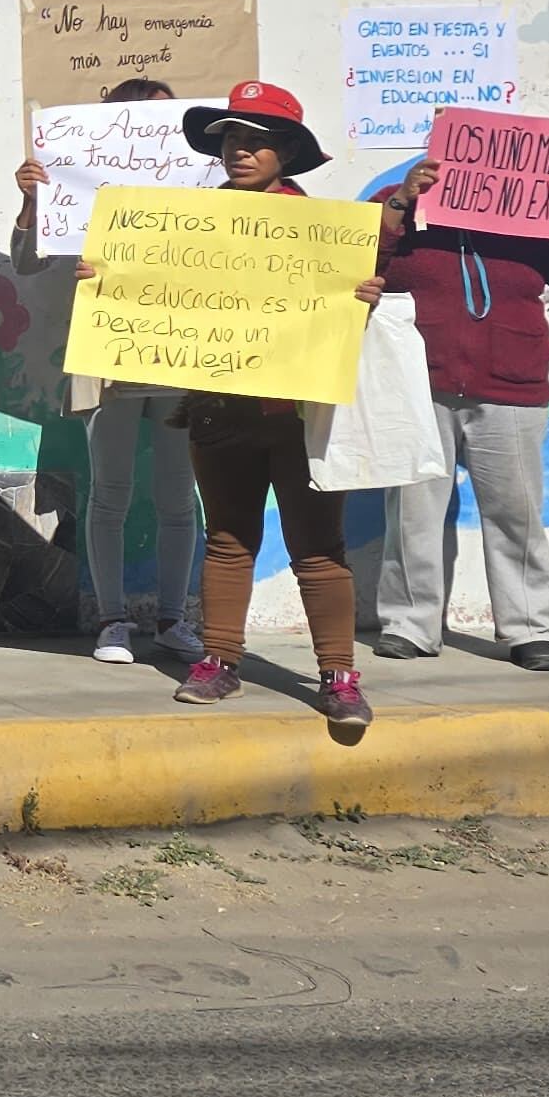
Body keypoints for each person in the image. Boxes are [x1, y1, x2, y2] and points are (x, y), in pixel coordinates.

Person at [109, 83, 386, 727]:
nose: (241, 151)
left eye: (257, 140)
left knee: (318, 546)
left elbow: (346, 314)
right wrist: (110, 281)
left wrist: (362, 296)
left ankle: (338, 676)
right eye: (232, 138)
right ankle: (220, 662)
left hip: (298, 415)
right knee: (229, 539)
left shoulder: (325, 234)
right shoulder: (192, 225)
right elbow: (158, 291)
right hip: (217, 410)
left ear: (286, 152)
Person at [363, 159, 549, 671]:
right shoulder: (403, 201)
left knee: (517, 514)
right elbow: (363, 257)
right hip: (419, 383)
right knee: (412, 514)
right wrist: (403, 198)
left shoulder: (527, 208)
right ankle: (408, 625)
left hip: (512, 384)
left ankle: (530, 629)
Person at [15, 76, 205, 665]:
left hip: (179, 348)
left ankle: (175, 618)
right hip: (107, 351)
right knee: (111, 492)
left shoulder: (201, 180)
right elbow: (26, 261)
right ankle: (113, 619)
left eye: (165, 121)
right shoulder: (78, 183)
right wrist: (30, 201)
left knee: (179, 494)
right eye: (144, 122)